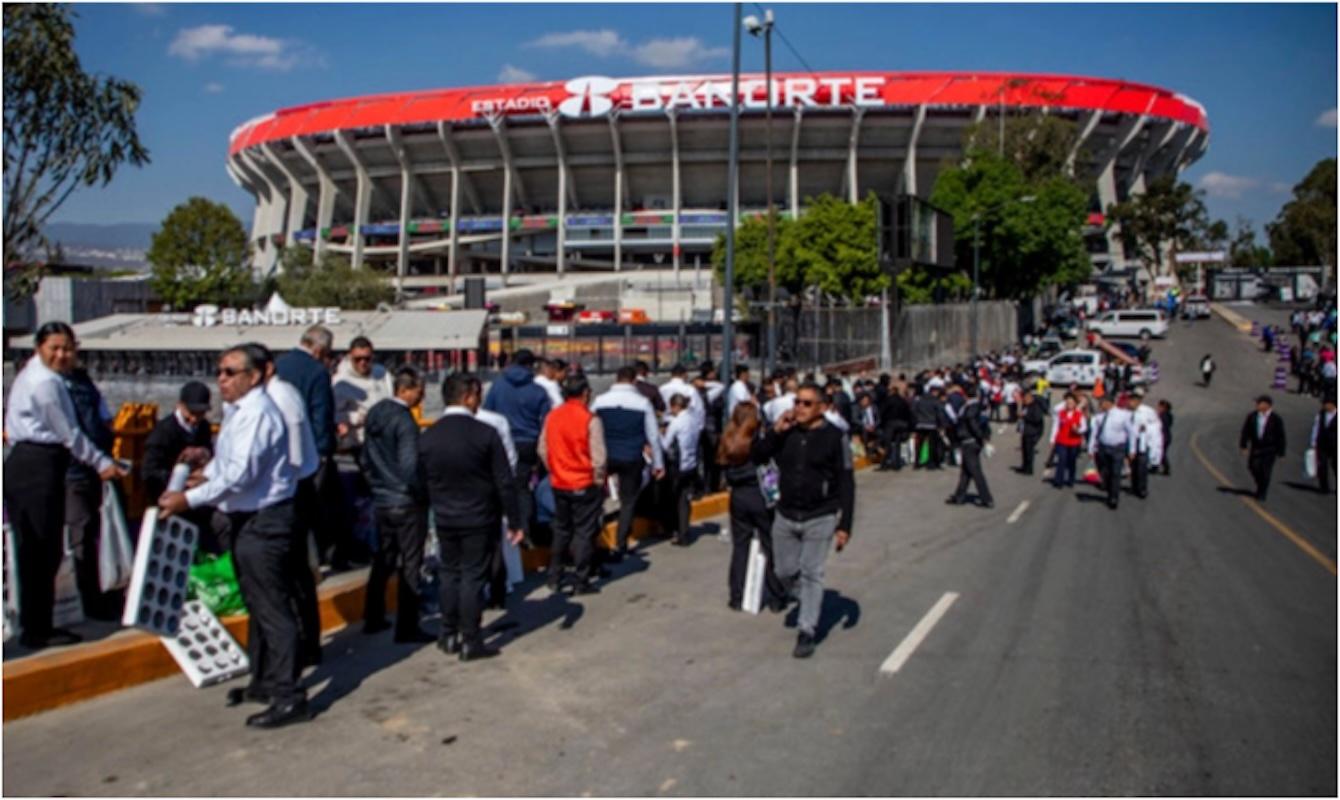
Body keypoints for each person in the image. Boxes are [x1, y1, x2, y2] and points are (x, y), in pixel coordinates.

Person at [159, 345, 305, 729]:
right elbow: (229, 466)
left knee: (273, 608)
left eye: (229, 372)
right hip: (246, 517)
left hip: (264, 520)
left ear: (254, 376)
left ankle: (289, 694)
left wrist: (188, 498)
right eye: (219, 371)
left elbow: (241, 475)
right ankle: (264, 680)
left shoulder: (257, 413)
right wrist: (204, 475)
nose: (221, 379)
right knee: (256, 604)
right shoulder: (238, 412)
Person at [3, 322, 126, 650]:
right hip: (36, 464)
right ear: (39, 348)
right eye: (54, 348)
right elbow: (69, 433)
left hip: (41, 462)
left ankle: (38, 624)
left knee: (43, 549)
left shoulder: (48, 377)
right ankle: (36, 629)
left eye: (67, 348)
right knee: (39, 550)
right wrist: (102, 463)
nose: (61, 355)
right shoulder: (44, 384)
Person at [419, 373, 524, 661]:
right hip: (479, 517)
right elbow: (505, 481)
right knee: (473, 578)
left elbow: (420, 481)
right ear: (468, 396)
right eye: (477, 395)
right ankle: (471, 639)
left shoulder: (429, 437)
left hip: (444, 517)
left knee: (449, 574)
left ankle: (447, 633)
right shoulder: (485, 434)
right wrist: (514, 520)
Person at [753, 383, 855, 659]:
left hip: (820, 515)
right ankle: (806, 594)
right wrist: (775, 431)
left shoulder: (835, 437)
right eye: (797, 401)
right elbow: (758, 455)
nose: (799, 407)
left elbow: (846, 481)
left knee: (812, 571)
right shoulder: (787, 433)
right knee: (784, 570)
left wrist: (845, 524)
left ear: (821, 408)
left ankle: (807, 629)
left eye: (807, 403)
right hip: (786, 513)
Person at [358, 366, 433, 643]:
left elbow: (365, 459)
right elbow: (410, 465)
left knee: (383, 559)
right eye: (419, 391)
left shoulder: (376, 414)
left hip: (382, 499)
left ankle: (373, 615)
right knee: (411, 563)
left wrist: (376, 485)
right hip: (406, 501)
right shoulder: (404, 421)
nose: (421, 397)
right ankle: (408, 625)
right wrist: (421, 493)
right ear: (405, 390)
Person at [260, 348, 323, 670]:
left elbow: (295, 455)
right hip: (287, 491)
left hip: (290, 493)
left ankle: (304, 647)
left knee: (292, 576)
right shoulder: (270, 398)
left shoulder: (282, 398)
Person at [276, 325, 351, 569]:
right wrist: (325, 450)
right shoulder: (317, 372)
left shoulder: (280, 364)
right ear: (319, 350)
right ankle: (322, 558)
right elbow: (321, 414)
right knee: (321, 507)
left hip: (280, 450)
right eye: (329, 354)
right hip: (310, 452)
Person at [61, 358, 120, 620]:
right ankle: (90, 600)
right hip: (74, 468)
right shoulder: (51, 385)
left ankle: (105, 590)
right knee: (81, 533)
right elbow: (69, 433)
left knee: (98, 531)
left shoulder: (84, 382)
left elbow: (103, 417)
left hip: (96, 464)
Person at [538, 375, 608, 594]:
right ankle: (581, 580)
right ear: (585, 393)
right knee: (584, 533)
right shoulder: (590, 419)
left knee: (561, 530)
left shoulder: (552, 417)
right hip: (584, 483)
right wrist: (598, 481)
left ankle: (554, 576)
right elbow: (599, 458)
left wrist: (555, 469)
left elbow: (542, 449)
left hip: (559, 483)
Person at [591, 366, 664, 562]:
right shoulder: (642, 403)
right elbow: (653, 437)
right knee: (628, 501)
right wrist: (658, 464)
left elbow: (589, 428)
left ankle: (594, 541)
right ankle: (621, 543)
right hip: (632, 457)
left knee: (596, 500)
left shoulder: (600, 401)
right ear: (633, 381)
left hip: (606, 456)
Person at [717, 402, 785, 613]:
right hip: (759, 496)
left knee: (740, 546)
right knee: (769, 544)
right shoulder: (755, 441)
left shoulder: (727, 441)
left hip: (738, 497)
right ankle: (775, 596)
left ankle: (736, 596)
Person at [483, 348, 553, 538]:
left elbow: (486, 413)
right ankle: (526, 531)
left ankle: (504, 528)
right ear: (531, 366)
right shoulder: (538, 390)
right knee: (523, 488)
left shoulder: (497, 386)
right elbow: (547, 422)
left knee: (502, 485)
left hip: (501, 443)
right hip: (528, 444)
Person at [142, 381, 214, 511]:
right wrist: (182, 479)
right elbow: (149, 472)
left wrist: (205, 455)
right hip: (167, 497)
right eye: (191, 412)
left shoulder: (204, 427)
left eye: (200, 413)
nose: (194, 419)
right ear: (180, 406)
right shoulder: (163, 432)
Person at [331, 336, 394, 453]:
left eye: (367, 358)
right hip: (357, 443)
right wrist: (358, 417)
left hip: (383, 439)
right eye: (357, 359)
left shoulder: (383, 374)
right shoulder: (341, 380)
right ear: (350, 357)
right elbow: (333, 413)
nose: (362, 362)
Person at [946, 383, 994, 509]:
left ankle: (986, 498)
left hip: (970, 441)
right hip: (970, 441)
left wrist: (980, 436)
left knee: (975, 471)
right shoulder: (976, 406)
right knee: (966, 471)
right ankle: (959, 496)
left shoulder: (971, 407)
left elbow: (971, 422)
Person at [661, 393, 700, 547]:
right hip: (691, 464)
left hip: (677, 466)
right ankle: (684, 531)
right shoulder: (693, 420)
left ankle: (675, 530)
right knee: (685, 500)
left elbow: (665, 445)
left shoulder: (676, 423)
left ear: (676, 406)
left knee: (674, 499)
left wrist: (660, 435)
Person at [1089, 394, 1137, 510]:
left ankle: (1113, 497)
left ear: (1108, 403)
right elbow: (1094, 433)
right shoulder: (1100, 417)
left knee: (1116, 473)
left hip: (1117, 448)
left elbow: (1132, 433)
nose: (1100, 405)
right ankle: (1109, 488)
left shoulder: (1123, 415)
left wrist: (1132, 449)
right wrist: (1091, 448)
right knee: (1106, 472)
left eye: (1102, 403)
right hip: (1103, 448)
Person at [1239, 395, 1286, 502]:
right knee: (1253, 466)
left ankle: (1262, 492)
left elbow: (1281, 436)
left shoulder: (1276, 419)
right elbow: (1245, 432)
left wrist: (1281, 452)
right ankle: (1260, 483)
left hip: (1269, 449)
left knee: (1265, 471)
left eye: (1259, 403)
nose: (1256, 405)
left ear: (1267, 405)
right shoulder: (1252, 416)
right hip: (1256, 447)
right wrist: (1243, 445)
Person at [1127, 389, 1162, 499]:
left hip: (1143, 442)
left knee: (1142, 467)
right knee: (1133, 466)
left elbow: (1157, 425)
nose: (1130, 403)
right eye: (1129, 401)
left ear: (1138, 401)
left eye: (1132, 401)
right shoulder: (1127, 413)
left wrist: (1146, 428)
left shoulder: (1148, 411)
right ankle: (1134, 486)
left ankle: (1142, 489)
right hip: (1130, 442)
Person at [1050, 392, 1087, 489]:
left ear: (1075, 403)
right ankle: (1059, 481)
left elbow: (1084, 427)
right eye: (1068, 402)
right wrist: (1052, 439)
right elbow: (1056, 426)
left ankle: (1071, 479)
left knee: (1071, 461)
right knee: (1061, 460)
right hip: (1062, 441)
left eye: (1071, 402)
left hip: (1074, 442)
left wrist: (1077, 430)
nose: (1069, 404)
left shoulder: (1079, 414)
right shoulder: (1061, 413)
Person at [1310, 393, 1337, 493]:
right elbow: (1316, 428)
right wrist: (1313, 442)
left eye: (1326, 404)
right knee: (1322, 465)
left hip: (1335, 445)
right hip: (1322, 444)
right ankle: (1324, 487)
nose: (1324, 406)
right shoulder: (1321, 414)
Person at [1017, 387, 1046, 477]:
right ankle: (1024, 466)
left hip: (1032, 432)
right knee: (1024, 450)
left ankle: (1029, 469)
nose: (1024, 400)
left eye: (1025, 398)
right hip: (1025, 431)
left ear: (1029, 397)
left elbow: (1037, 419)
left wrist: (1025, 417)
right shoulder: (1026, 406)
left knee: (1029, 451)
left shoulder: (1035, 407)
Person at [1156, 399, 1174, 476]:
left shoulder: (1163, 416)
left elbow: (1161, 427)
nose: (1158, 407)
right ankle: (1156, 466)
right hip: (1167, 437)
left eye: (1160, 406)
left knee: (1161, 453)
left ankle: (1166, 468)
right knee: (1160, 452)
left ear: (1164, 407)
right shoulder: (1169, 415)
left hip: (1164, 437)